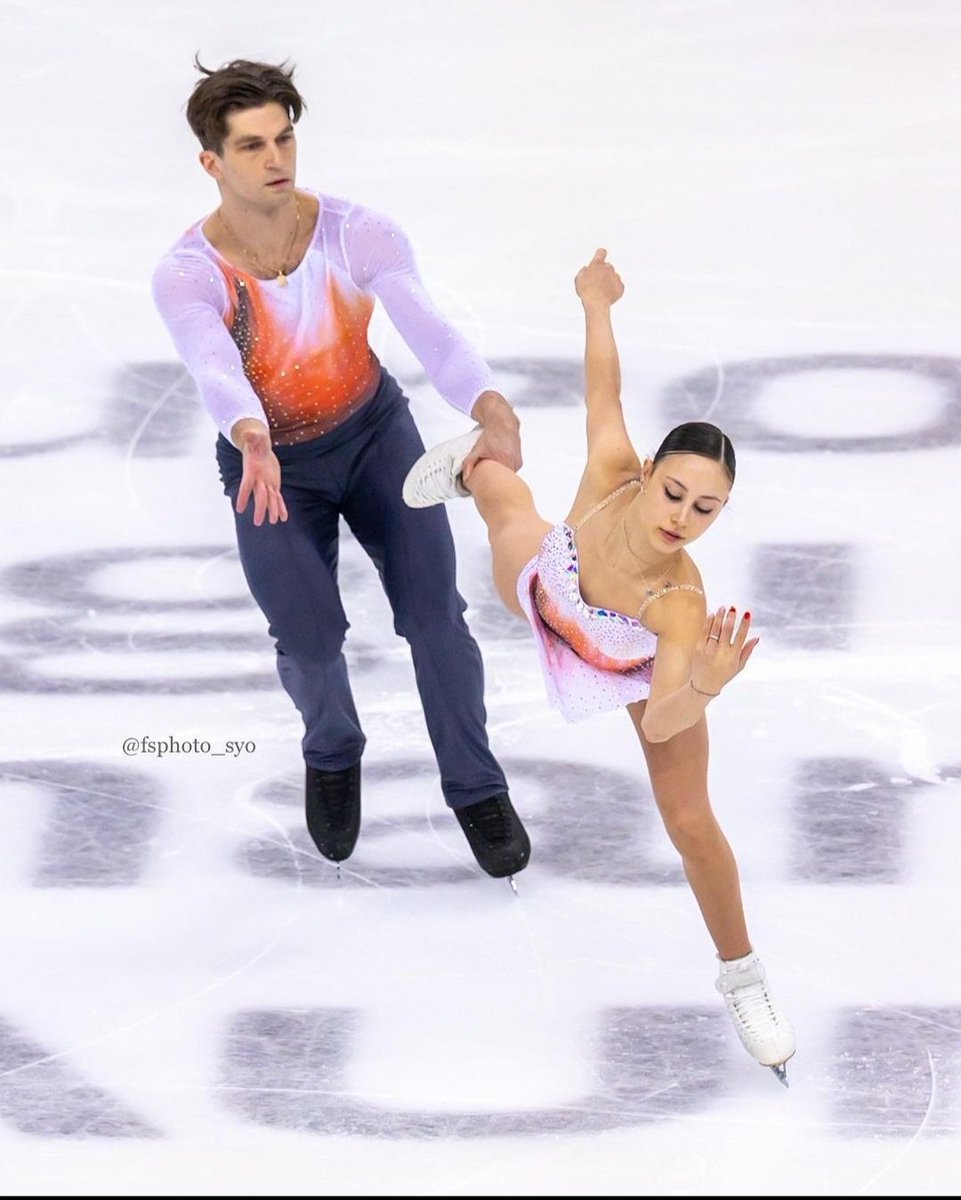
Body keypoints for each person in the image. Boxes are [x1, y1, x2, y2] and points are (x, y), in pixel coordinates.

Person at [402, 249, 797, 1082]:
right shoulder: (613, 472)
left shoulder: (679, 602)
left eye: (706, 508)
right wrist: (594, 301)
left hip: (636, 666)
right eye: (675, 493)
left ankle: (743, 977)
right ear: (647, 473)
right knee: (503, 500)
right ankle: (476, 460)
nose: (683, 517)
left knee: (690, 820)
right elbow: (603, 390)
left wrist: (703, 685)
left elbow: (658, 720)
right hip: (552, 592)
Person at [151, 57, 531, 881]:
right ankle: (331, 747)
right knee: (310, 637)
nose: (275, 158)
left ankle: (475, 786)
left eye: (284, 137)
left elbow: (426, 326)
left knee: (436, 618)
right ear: (211, 162)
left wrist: (487, 402)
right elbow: (215, 364)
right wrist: (250, 433)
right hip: (269, 465)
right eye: (250, 146)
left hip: (374, 440)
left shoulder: (358, 231)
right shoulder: (188, 273)